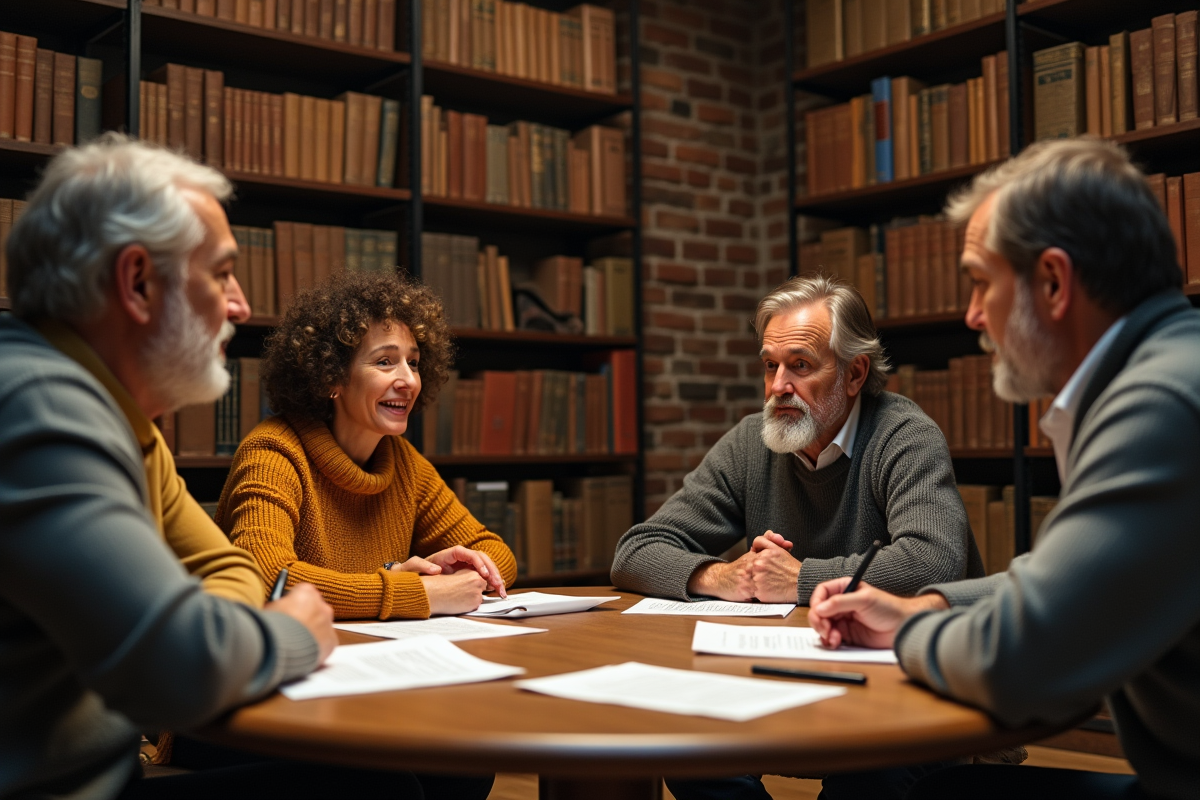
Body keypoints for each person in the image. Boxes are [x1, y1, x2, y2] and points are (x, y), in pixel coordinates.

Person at [0, 134, 409, 799]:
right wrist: (286, 634)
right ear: (137, 283)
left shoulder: (120, 420)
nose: (242, 306)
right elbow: (179, 667)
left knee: (408, 778)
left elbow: (228, 569)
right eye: (221, 274)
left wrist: (219, 635)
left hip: (107, 776)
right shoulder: (39, 409)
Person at [808, 138, 1200, 800]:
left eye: (981, 281)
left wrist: (912, 638)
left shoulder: (1160, 407)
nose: (971, 314)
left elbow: (1016, 662)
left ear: (1052, 282)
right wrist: (917, 609)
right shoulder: (1169, 368)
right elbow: (1073, 586)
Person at [612, 275, 983, 800]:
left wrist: (798, 579)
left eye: (800, 366)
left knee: (871, 778)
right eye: (769, 365)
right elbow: (635, 551)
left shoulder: (904, 435)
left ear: (855, 374)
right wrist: (723, 575)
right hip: (785, 676)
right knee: (693, 754)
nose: (777, 386)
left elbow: (933, 562)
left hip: (902, 695)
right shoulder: (751, 442)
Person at [218, 271, 517, 623]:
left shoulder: (404, 463)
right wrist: (416, 592)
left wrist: (460, 580)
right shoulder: (273, 453)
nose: (407, 380)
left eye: (414, 362)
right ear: (331, 377)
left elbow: (496, 552)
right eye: (385, 361)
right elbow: (269, 576)